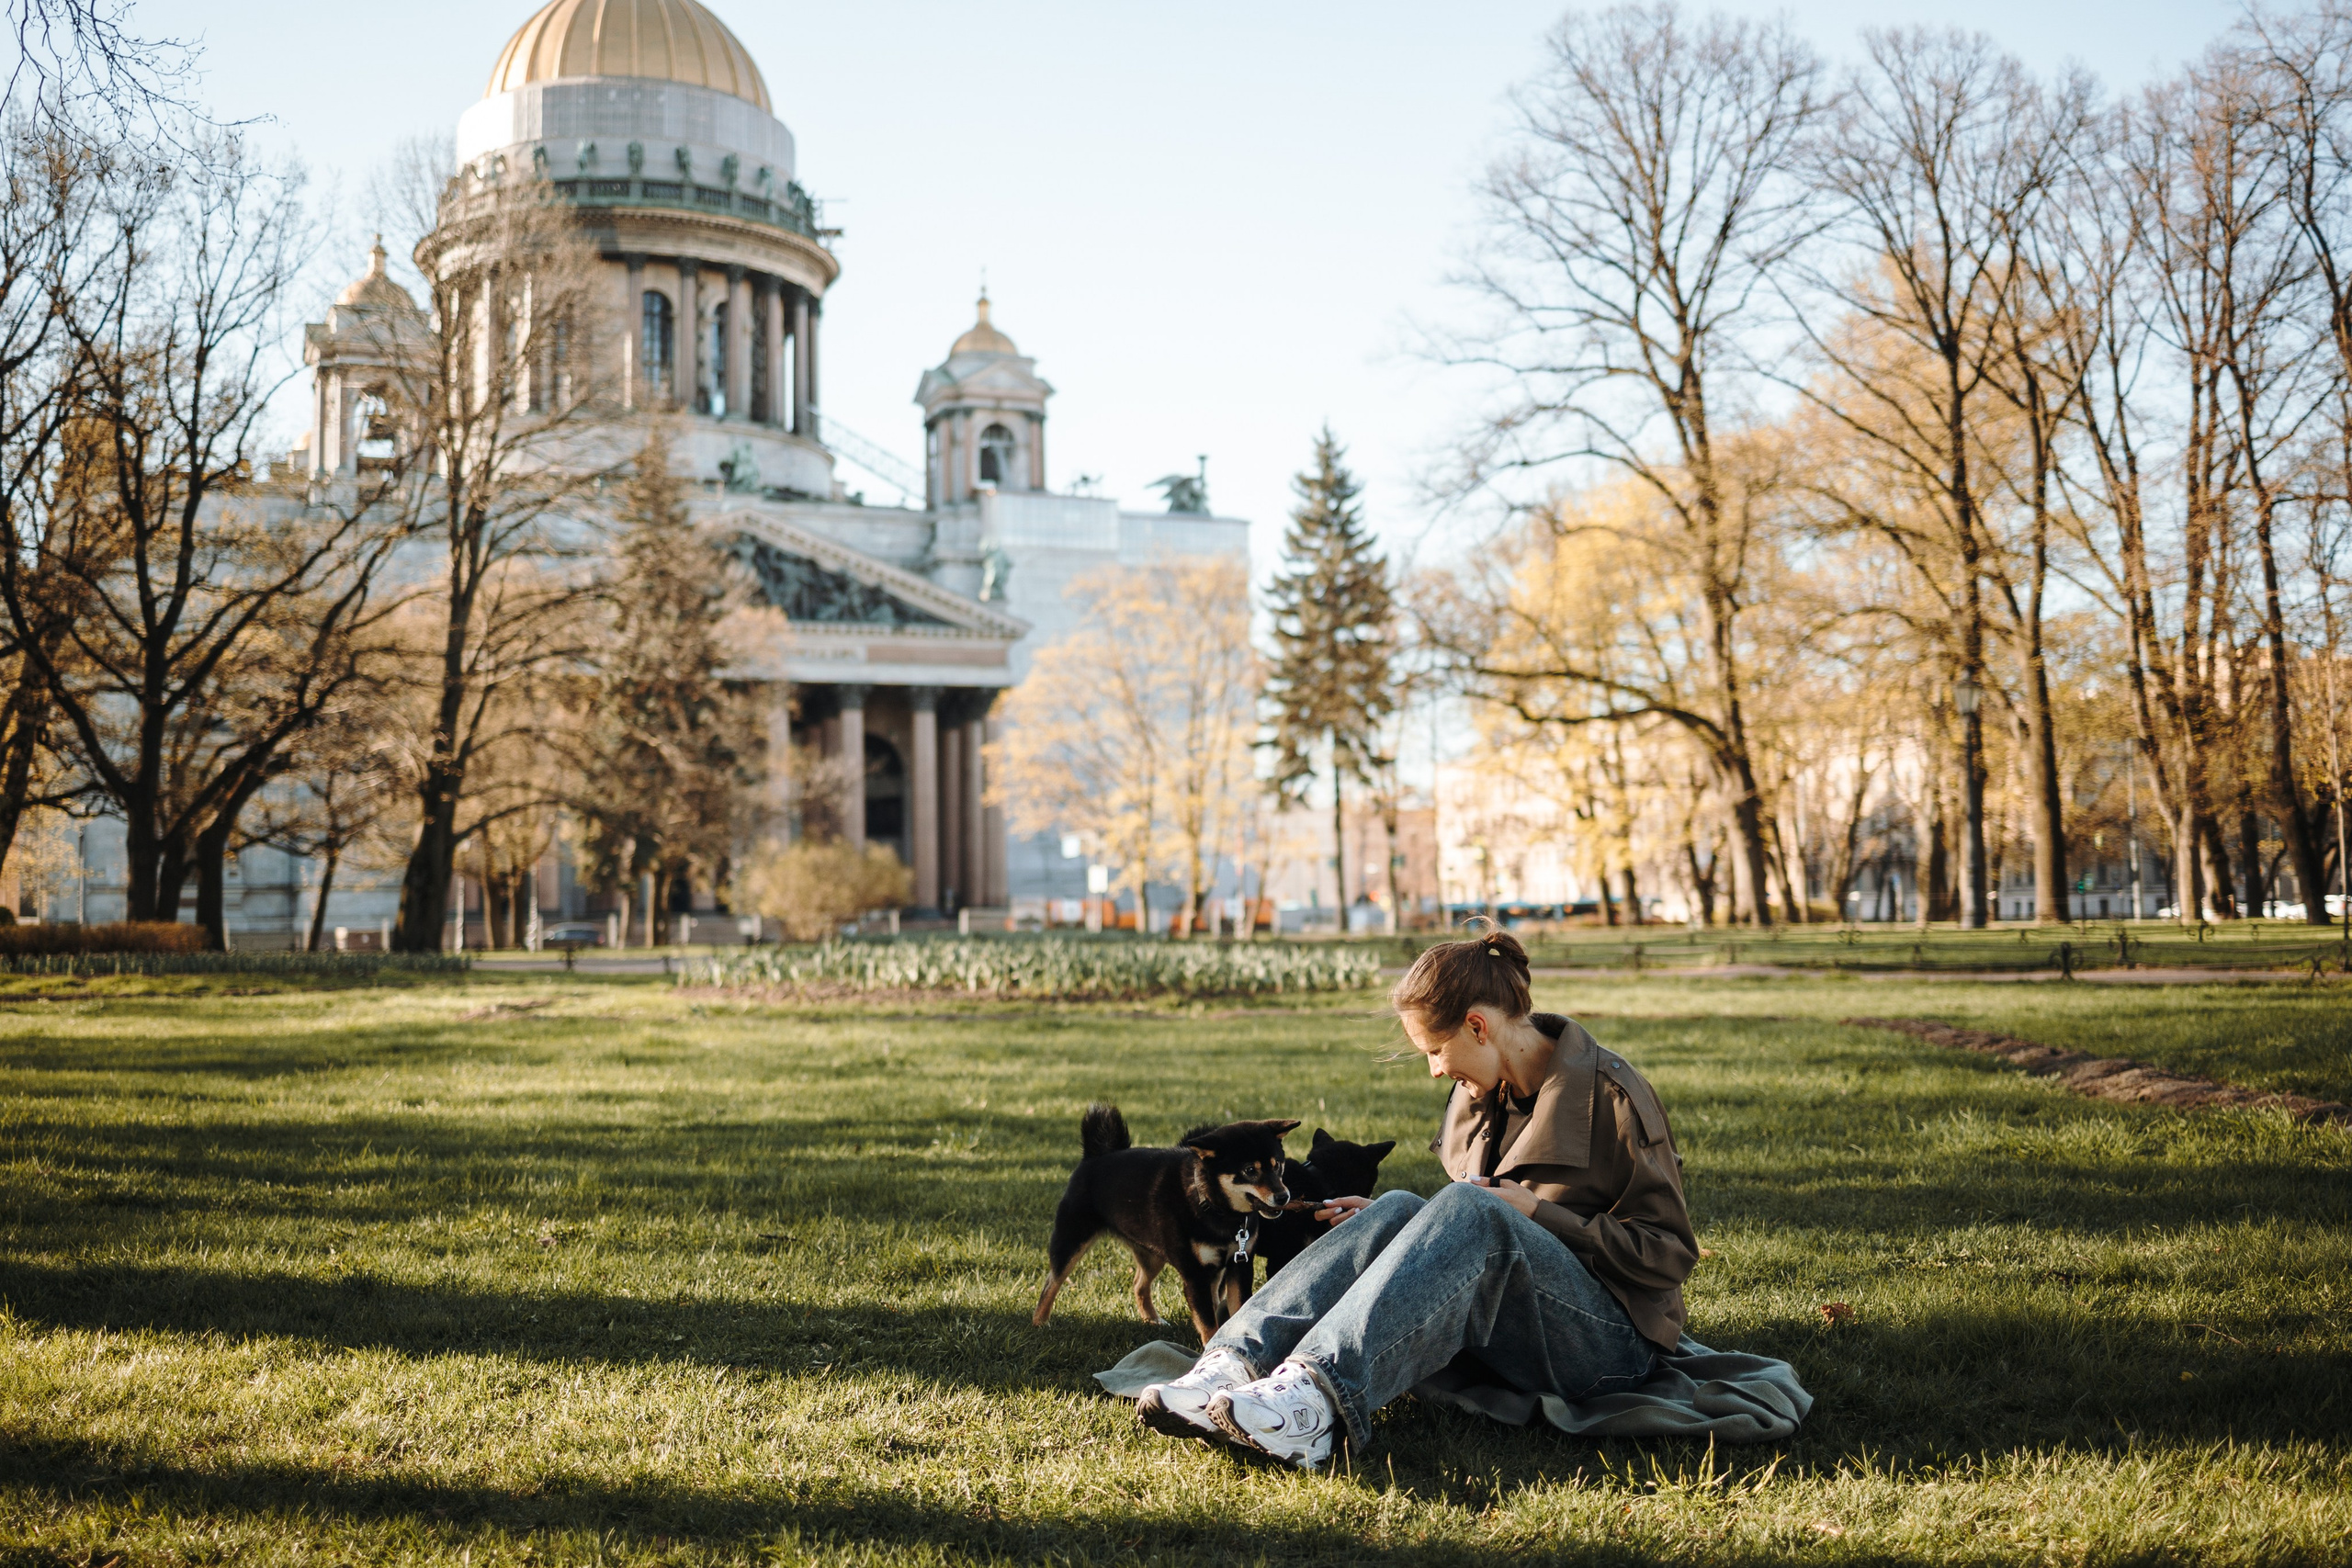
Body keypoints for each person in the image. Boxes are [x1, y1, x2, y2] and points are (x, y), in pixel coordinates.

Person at [1135, 925, 1697, 1468]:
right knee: (1399, 1206)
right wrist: (1403, 1227)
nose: (1434, 1070)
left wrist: (1540, 1214)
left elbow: (1669, 1255)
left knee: (1464, 1207)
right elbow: (1485, 1237)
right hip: (1513, 1327)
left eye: (1435, 1050)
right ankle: (1233, 1362)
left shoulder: (1613, 1097)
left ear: (1477, 1026)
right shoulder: (1482, 1091)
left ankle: (1314, 1402)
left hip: (1610, 1349)